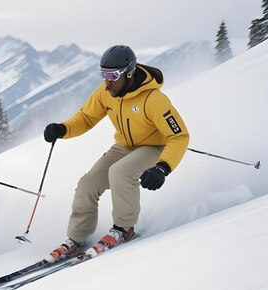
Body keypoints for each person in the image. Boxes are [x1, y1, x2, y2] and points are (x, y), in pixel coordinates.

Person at [43, 45, 189, 261]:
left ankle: (124, 228)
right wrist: (63, 129)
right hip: (124, 146)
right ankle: (77, 239)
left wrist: (163, 167)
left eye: (112, 75)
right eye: (103, 74)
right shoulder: (106, 92)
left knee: (120, 172)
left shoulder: (154, 99)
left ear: (129, 73)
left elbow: (180, 136)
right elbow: (86, 118)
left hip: (154, 147)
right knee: (87, 183)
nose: (107, 81)